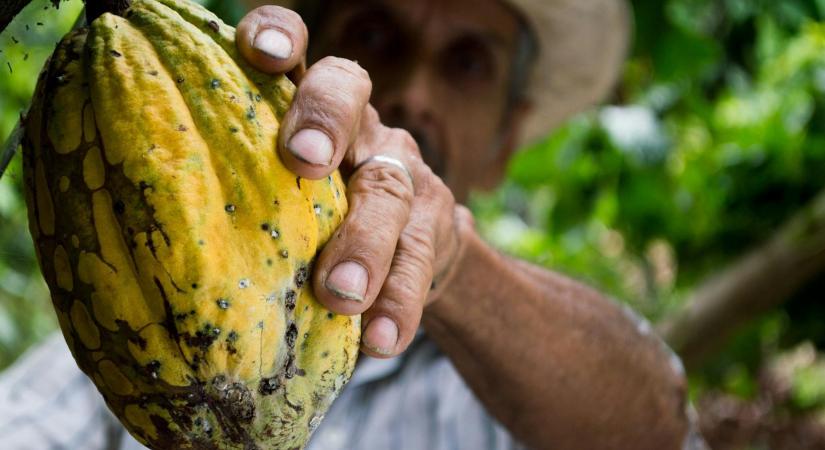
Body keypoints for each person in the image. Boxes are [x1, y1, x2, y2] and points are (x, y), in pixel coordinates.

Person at [0, 0, 708, 449]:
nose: (412, 91)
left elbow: (653, 426)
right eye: (374, 31)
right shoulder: (125, 328)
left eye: (467, 62)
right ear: (291, 64)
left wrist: (452, 263)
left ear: (507, 137)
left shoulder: (518, 382)